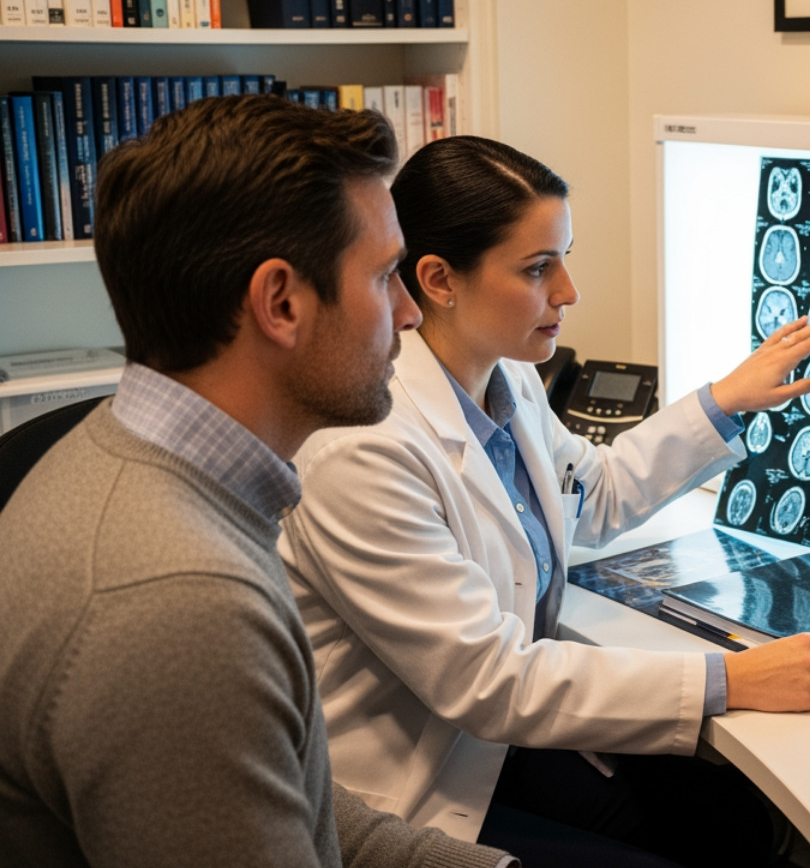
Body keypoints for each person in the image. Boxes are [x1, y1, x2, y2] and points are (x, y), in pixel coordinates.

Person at [280, 136, 810, 867]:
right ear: (438, 278)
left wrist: (727, 400)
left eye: (564, 257)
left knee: (740, 828)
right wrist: (734, 678)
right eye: (538, 268)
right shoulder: (362, 445)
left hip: (496, 745)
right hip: (413, 787)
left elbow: (591, 496)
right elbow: (487, 681)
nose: (568, 291)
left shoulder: (505, 373)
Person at [0, 96, 513, 868]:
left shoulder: (147, 469)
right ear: (281, 303)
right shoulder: (179, 601)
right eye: (383, 278)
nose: (409, 313)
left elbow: (299, 799)